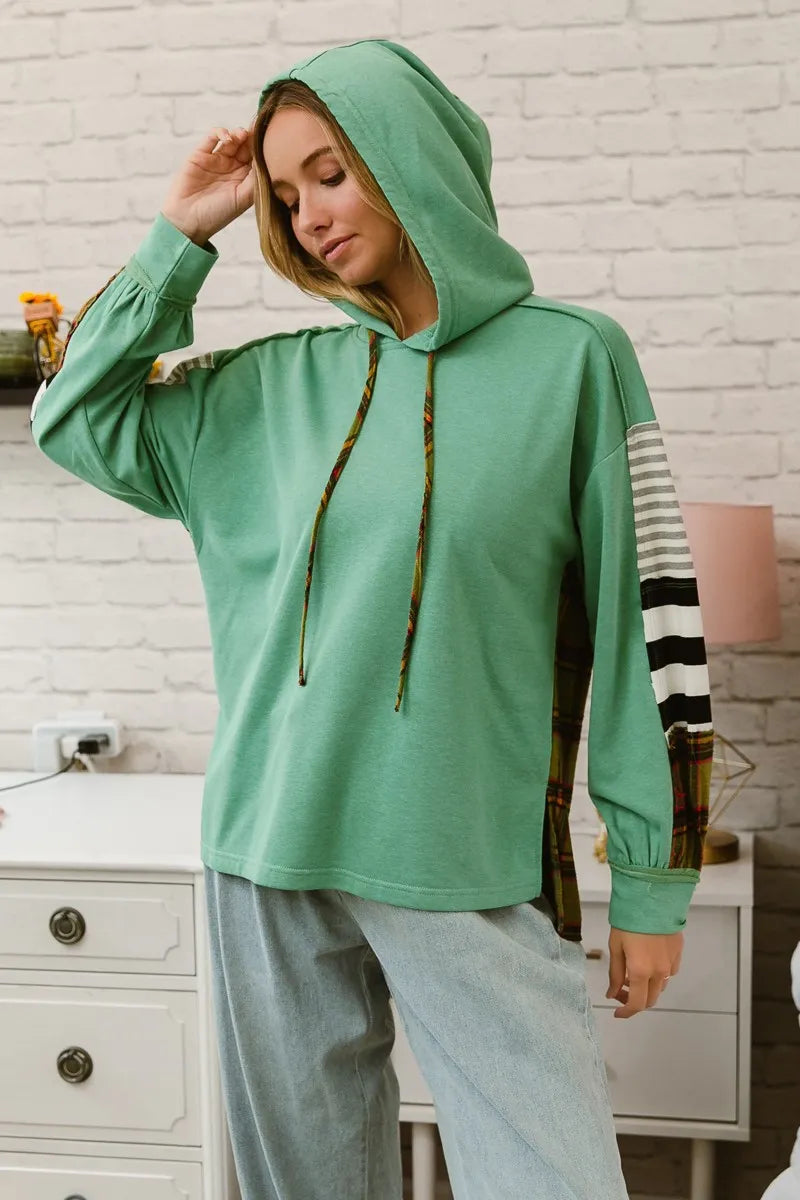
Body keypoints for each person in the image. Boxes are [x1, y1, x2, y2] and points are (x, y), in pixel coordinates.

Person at [31, 38, 714, 1200]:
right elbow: (73, 416)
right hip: (266, 854)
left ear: (412, 157)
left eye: (331, 172)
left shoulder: (570, 361)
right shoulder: (264, 387)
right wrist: (181, 233)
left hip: (462, 857)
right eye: (283, 194)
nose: (307, 215)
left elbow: (645, 627)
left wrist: (653, 879)